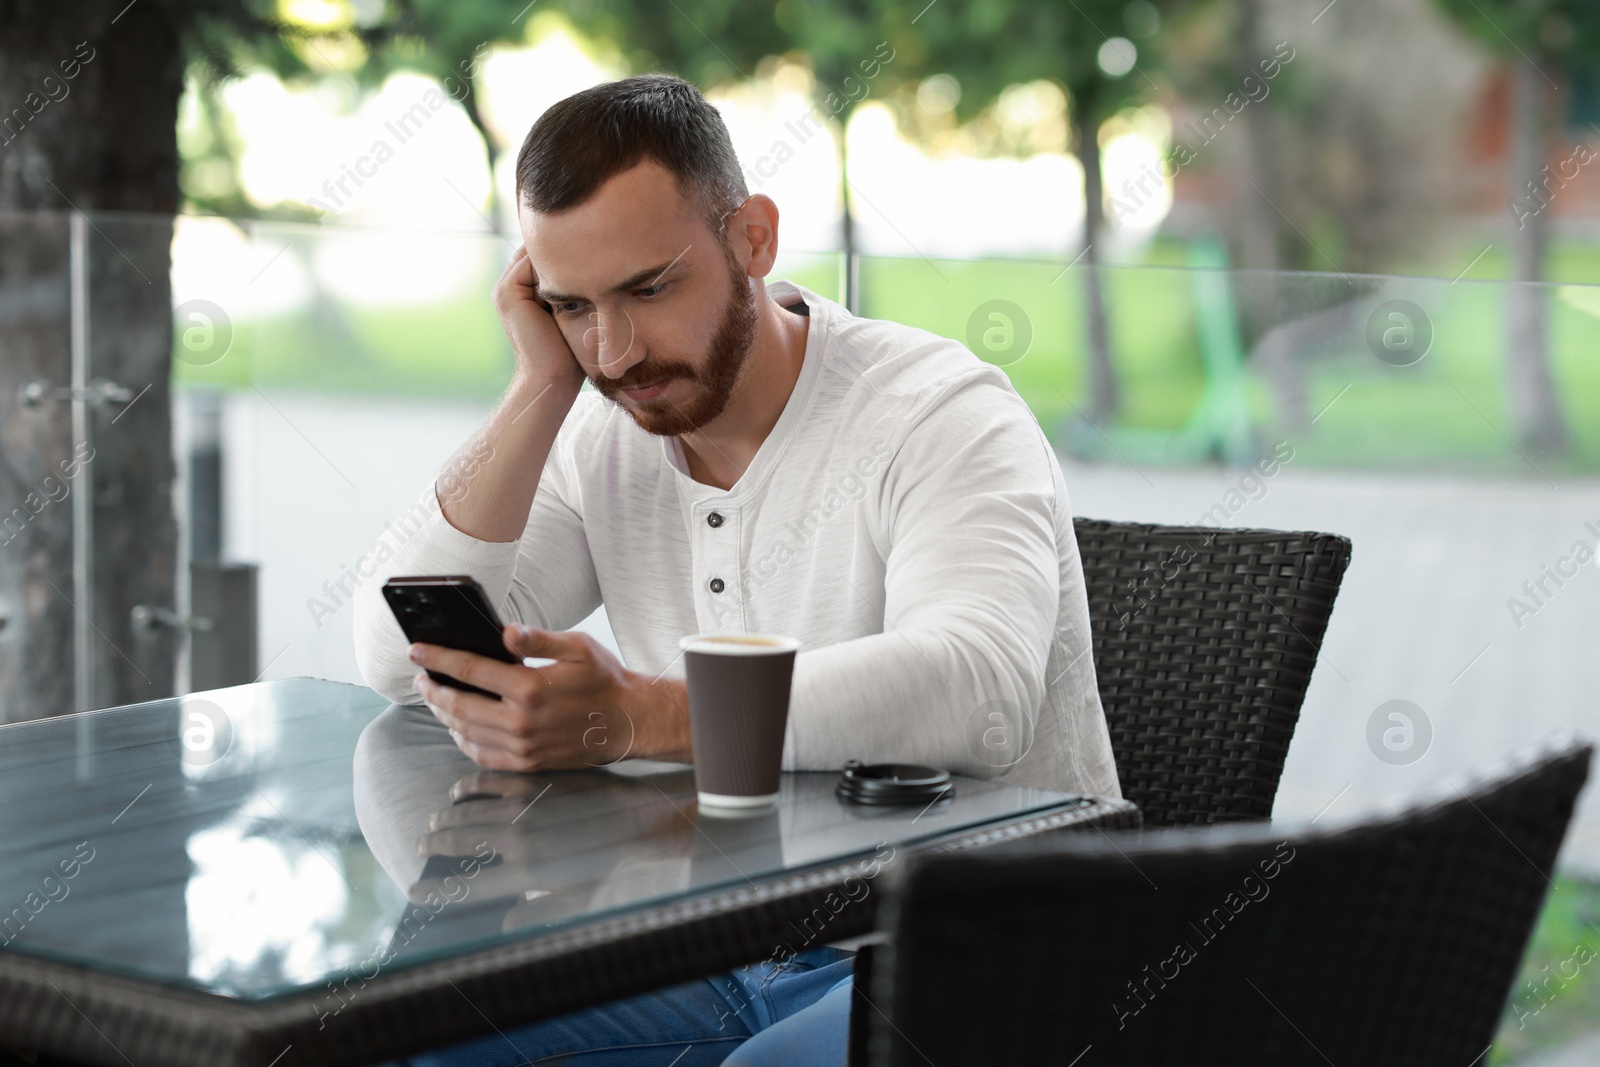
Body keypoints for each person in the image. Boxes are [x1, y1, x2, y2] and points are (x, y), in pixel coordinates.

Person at [353, 72, 1120, 1067]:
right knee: (395, 1034)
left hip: (988, 948)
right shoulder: (603, 424)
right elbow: (389, 649)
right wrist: (540, 386)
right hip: (718, 935)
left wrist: (643, 715)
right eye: (570, 305)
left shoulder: (940, 412)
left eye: (648, 287)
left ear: (752, 237)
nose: (614, 349)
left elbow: (979, 689)